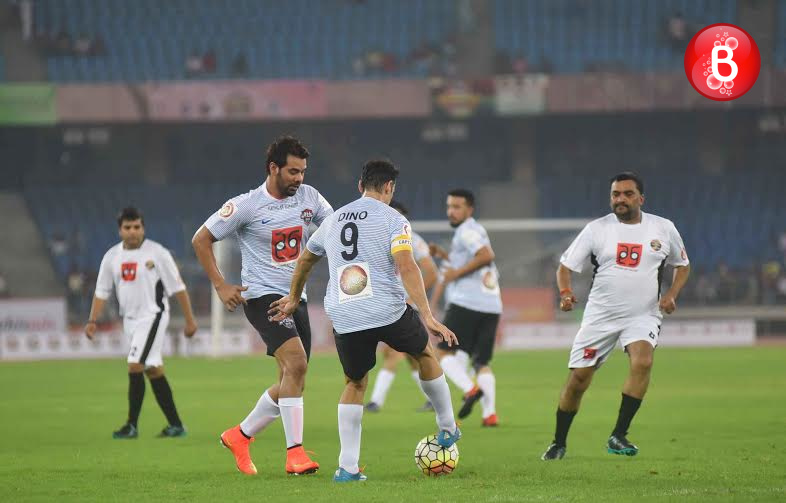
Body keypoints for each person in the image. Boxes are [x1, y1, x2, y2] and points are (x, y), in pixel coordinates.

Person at [269, 159, 462, 482]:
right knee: (425, 354)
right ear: (389, 188)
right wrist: (428, 315)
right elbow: (407, 265)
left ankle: (347, 468)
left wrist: (293, 297)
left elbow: (305, 259)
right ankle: (447, 427)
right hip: (385, 308)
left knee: (355, 383)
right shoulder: (394, 219)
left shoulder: (332, 220)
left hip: (345, 313)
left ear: (360, 186)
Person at [192, 135, 332, 476]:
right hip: (263, 297)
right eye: (293, 171)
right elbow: (201, 239)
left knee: (291, 378)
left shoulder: (310, 197)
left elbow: (336, 226)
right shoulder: (246, 205)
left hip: (296, 297)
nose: (299, 179)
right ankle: (295, 455)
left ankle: (239, 436)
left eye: (303, 171)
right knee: (297, 365)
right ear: (273, 168)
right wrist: (221, 285)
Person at [541, 172, 691, 460]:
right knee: (578, 382)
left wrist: (671, 294)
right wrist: (565, 292)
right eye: (615, 194)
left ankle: (618, 434)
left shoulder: (663, 227)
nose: (620, 199)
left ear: (640, 198)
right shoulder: (597, 229)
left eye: (627, 194)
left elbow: (682, 265)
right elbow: (565, 267)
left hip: (643, 315)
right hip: (601, 317)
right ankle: (558, 442)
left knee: (643, 361)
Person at [85, 207, 198, 439]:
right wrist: (92, 320)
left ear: (143, 228)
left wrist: (190, 320)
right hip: (130, 321)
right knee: (153, 370)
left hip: (153, 316)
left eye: (137, 227)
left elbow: (178, 288)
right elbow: (101, 291)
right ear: (120, 230)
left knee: (135, 364)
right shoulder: (111, 257)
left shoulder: (158, 253)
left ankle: (131, 426)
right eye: (128, 227)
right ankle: (176, 425)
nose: (133, 232)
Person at [429, 189, 502, 427]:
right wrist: (444, 256)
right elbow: (471, 258)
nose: (451, 211)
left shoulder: (466, 231)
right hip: (491, 304)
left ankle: (470, 389)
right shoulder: (477, 230)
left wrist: (455, 274)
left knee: (443, 353)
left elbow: (486, 255)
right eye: (449, 206)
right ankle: (489, 414)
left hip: (467, 302)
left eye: (457, 206)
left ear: (469, 209)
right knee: (481, 362)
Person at [365, 200, 439, 413]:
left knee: (392, 353)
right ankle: (433, 400)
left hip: (404, 306)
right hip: (389, 303)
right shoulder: (379, 240)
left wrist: (413, 300)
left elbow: (432, 272)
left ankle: (376, 401)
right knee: (413, 359)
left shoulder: (413, 241)